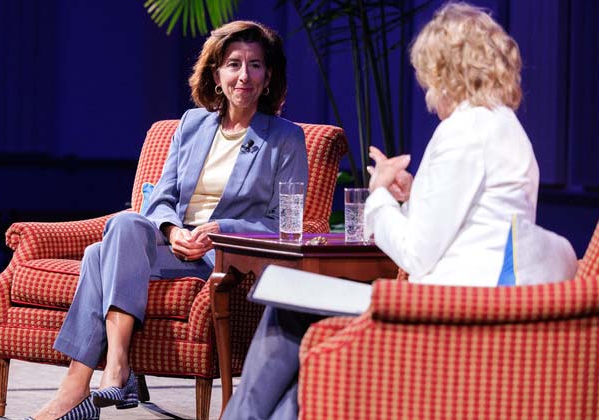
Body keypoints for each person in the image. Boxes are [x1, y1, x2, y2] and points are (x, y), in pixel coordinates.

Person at [222, 3, 539, 419]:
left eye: (429, 77)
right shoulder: (503, 127)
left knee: (288, 302)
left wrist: (379, 198)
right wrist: (412, 198)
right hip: (476, 299)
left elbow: (416, 255)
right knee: (299, 350)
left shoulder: (462, 132)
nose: (427, 92)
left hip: (447, 310)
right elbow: (465, 223)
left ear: (445, 72)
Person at [26, 20, 308, 420]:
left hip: (222, 258)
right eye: (233, 64)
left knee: (96, 254)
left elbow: (285, 224)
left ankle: (79, 388)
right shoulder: (191, 125)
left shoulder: (286, 138)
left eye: (255, 65)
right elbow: (161, 198)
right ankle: (116, 366)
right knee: (124, 226)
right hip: (170, 247)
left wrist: (220, 231)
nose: (244, 75)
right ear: (216, 74)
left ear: (268, 76)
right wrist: (173, 231)